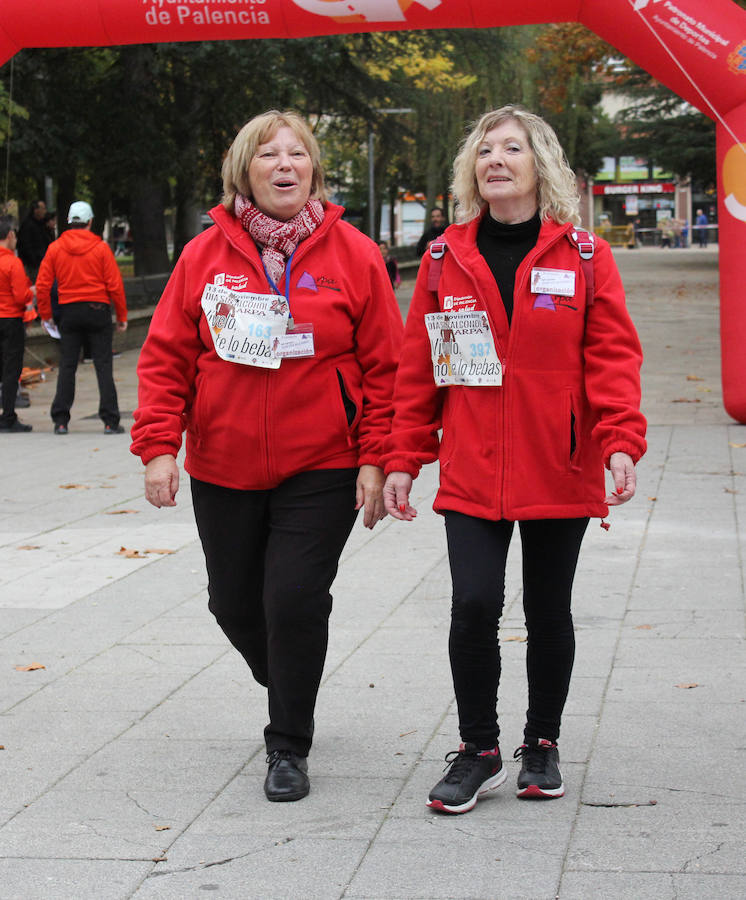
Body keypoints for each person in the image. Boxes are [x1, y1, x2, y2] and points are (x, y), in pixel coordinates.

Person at [130, 110, 403, 804]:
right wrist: (159, 446)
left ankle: (288, 743)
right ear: (243, 172)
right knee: (233, 603)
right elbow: (166, 357)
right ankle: (286, 675)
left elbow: (386, 368)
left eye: (298, 154)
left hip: (323, 460)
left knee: (294, 597)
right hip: (223, 462)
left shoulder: (354, 252)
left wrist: (376, 457)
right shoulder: (203, 256)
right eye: (268, 156)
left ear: (313, 169)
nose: (285, 165)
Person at [382, 105, 647, 814]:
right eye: (485, 151)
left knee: (547, 607)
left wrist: (621, 438)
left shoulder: (585, 256)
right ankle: (478, 750)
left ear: (541, 166)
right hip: (472, 463)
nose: (496, 160)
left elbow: (611, 358)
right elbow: (419, 370)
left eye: (513, 149)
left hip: (558, 461)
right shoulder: (443, 257)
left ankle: (543, 744)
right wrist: (405, 455)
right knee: (472, 604)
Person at [36, 201, 128, 435]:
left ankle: (60, 420)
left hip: (69, 313)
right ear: (89, 222)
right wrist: (122, 316)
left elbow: (43, 285)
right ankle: (110, 420)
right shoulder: (101, 248)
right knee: (103, 365)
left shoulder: (55, 248)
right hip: (97, 310)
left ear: (69, 221)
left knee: (67, 365)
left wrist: (46, 316)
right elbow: (115, 286)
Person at [0, 215, 34, 432]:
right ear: (10, 235)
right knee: (11, 369)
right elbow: (22, 296)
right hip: (10, 320)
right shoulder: (12, 262)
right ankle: (8, 416)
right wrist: (31, 294)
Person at [16, 200, 52, 280]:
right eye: (43, 208)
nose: (44, 211)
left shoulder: (42, 224)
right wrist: (34, 261)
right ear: (36, 210)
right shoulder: (28, 225)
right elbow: (25, 245)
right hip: (34, 265)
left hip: (42, 262)